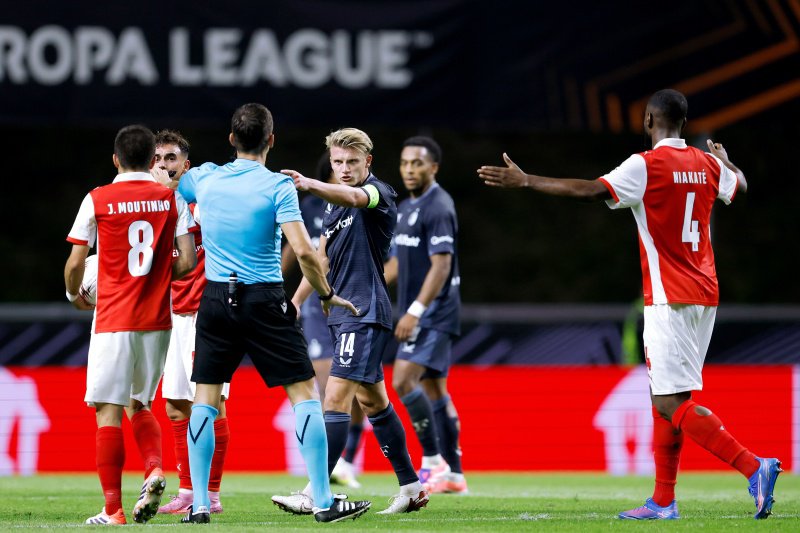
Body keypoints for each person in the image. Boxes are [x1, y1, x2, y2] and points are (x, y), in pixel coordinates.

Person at [477, 88, 781, 520]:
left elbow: (589, 190)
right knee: (666, 399)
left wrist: (527, 181)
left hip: (668, 298)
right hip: (706, 296)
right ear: (684, 121)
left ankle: (754, 467)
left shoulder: (646, 164)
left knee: (672, 403)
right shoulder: (709, 163)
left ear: (648, 121)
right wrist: (727, 159)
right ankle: (662, 501)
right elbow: (742, 185)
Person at [177, 104, 370, 524]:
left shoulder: (204, 177)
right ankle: (322, 501)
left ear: (231, 139)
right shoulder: (278, 186)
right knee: (304, 396)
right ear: (271, 140)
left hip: (214, 299)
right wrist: (326, 293)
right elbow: (303, 250)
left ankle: (199, 505)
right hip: (263, 299)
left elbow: (169, 182)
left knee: (205, 400)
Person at [274, 127, 429, 515]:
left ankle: (315, 491)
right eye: (338, 163)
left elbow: (356, 196)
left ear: (368, 162)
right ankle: (411, 487)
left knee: (335, 398)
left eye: (351, 162)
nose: (343, 169)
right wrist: (294, 302)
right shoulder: (331, 209)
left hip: (364, 311)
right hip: (342, 314)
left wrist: (307, 182)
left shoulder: (379, 192)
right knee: (373, 402)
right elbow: (320, 260)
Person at [64, 124, 197, 525]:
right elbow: (188, 262)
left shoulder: (98, 198)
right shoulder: (170, 199)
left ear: (116, 159)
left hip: (112, 319)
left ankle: (113, 510)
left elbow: (75, 263)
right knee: (140, 404)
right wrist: (157, 273)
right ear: (150, 160)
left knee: (108, 412)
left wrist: (76, 296)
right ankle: (155, 468)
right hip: (158, 323)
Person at [148, 130, 231, 516]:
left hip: (206, 313)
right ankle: (186, 489)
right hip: (170, 316)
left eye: (171, 158)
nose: (164, 166)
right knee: (176, 407)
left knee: (212, 405)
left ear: (187, 165)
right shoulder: (149, 207)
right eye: (158, 159)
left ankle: (210, 494)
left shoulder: (201, 204)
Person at [383, 136, 467, 494]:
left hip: (434, 311)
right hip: (425, 311)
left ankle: (433, 462)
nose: (409, 170)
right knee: (434, 390)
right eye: (404, 163)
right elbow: (398, 264)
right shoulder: (406, 208)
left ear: (433, 167)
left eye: (417, 163)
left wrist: (414, 312)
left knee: (403, 380)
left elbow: (442, 265)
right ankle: (455, 476)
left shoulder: (439, 206)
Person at [281, 152, 366, 490]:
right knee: (325, 381)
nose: (344, 172)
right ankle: (329, 462)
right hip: (319, 305)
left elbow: (389, 261)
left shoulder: (363, 203)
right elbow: (301, 251)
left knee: (358, 388)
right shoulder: (310, 207)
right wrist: (278, 285)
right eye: (337, 166)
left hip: (354, 303)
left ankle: (346, 460)